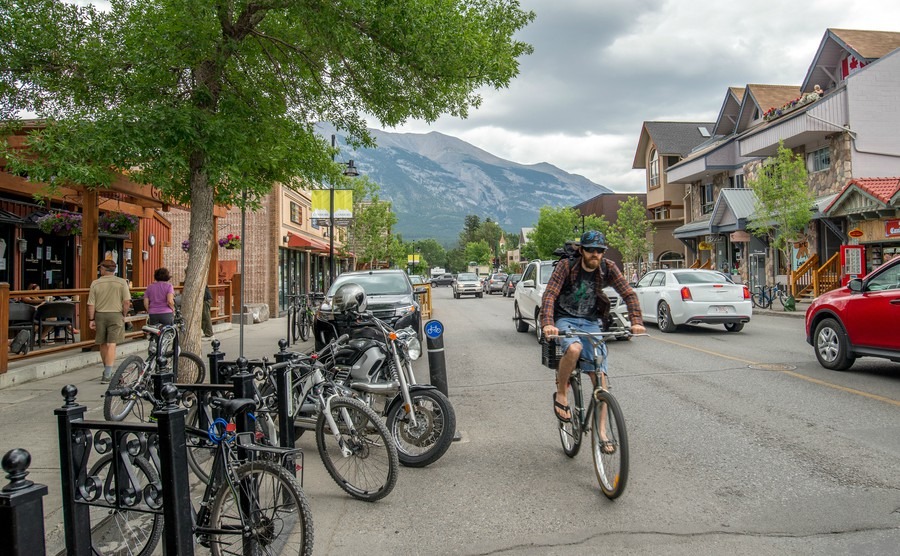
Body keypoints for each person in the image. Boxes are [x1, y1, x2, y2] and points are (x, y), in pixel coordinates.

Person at [541, 231, 646, 446]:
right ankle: (561, 393)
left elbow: (628, 293)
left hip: (591, 321)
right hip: (565, 319)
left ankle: (602, 433)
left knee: (600, 379)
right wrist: (548, 324)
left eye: (599, 251)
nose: (595, 254)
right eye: (590, 250)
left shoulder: (608, 267)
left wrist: (636, 321)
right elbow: (550, 294)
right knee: (574, 349)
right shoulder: (567, 266)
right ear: (582, 250)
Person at [87, 259, 131, 383]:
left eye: (100, 268)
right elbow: (126, 301)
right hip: (116, 314)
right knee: (112, 343)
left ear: (104, 269)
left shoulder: (95, 283)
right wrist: (124, 314)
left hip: (100, 315)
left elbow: (91, 304)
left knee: (102, 343)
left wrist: (91, 318)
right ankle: (107, 373)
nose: (99, 270)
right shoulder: (122, 282)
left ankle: (107, 371)